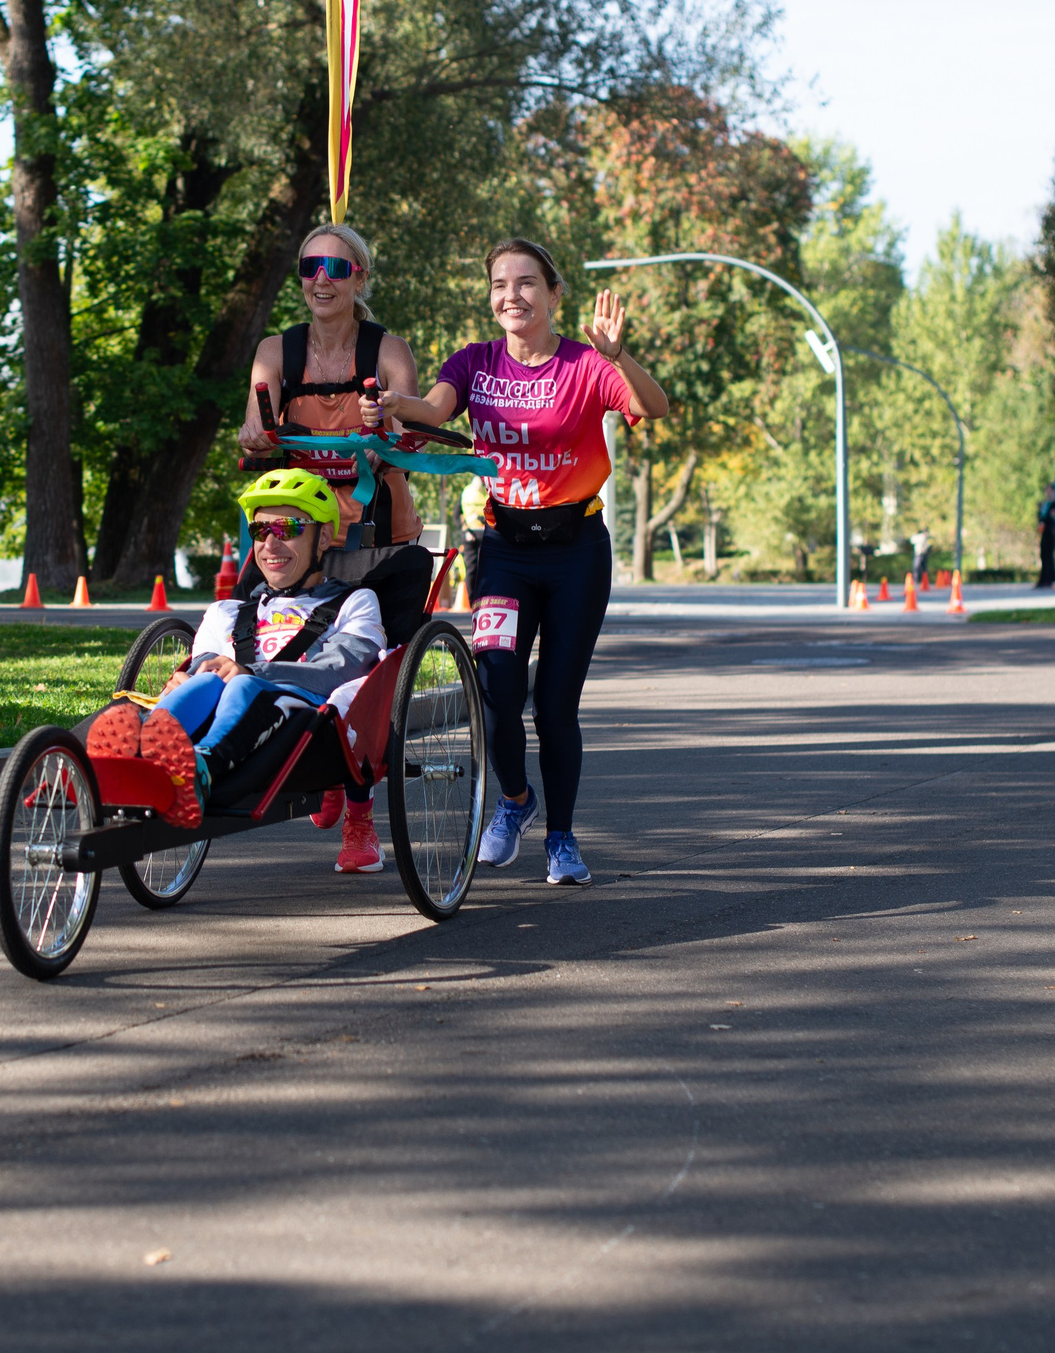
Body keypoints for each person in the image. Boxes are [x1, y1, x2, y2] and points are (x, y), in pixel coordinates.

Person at [362, 237, 671, 886]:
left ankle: (561, 838)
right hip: (502, 549)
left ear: (554, 294)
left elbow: (652, 406)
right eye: (501, 284)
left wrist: (620, 357)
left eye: (526, 282)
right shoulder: (476, 362)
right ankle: (514, 802)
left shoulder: (587, 365)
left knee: (555, 705)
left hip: (577, 554)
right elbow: (435, 409)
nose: (513, 295)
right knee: (497, 689)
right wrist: (393, 406)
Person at [89, 468, 390, 869]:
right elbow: (205, 664)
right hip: (234, 711)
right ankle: (139, 753)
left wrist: (254, 673)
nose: (270, 542)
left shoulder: (355, 602)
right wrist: (189, 679)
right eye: (260, 529)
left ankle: (200, 769)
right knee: (207, 682)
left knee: (242, 687)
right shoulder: (227, 612)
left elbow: (343, 667)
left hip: (311, 717)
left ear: (322, 537)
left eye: (287, 527)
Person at [236, 222, 424, 848]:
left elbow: (412, 429)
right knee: (248, 627)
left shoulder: (387, 349)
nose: (322, 278)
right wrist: (256, 434)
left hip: (377, 528)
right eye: (310, 267)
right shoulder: (276, 350)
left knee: (370, 671)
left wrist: (387, 422)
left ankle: (361, 813)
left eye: (337, 268)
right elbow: (252, 425)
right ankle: (300, 760)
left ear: (359, 279)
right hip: (297, 527)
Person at [1035, 486, 1055, 589]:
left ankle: (1050, 578)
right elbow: (1041, 517)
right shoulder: (1044, 504)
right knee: (1044, 554)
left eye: (1049, 490)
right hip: (1044, 532)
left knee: (1050, 555)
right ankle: (1044, 578)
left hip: (1051, 532)